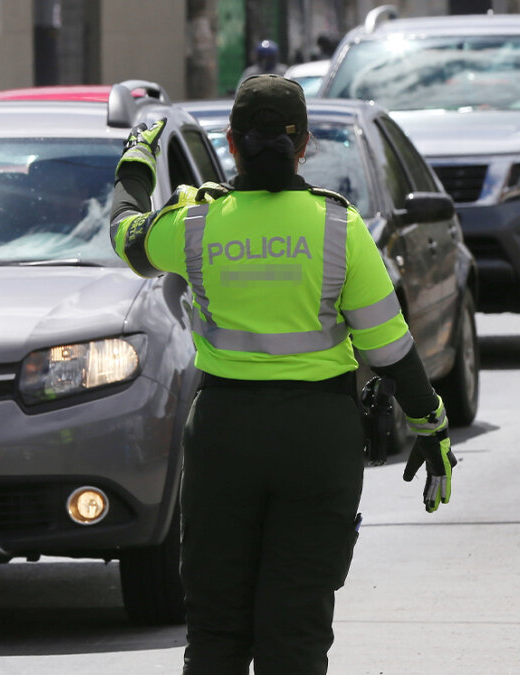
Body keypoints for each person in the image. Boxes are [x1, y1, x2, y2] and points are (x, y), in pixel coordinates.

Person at [109, 75, 456, 673]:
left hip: (223, 435)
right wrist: (432, 427)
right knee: (295, 634)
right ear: (305, 146)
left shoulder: (195, 224)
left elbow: (123, 234)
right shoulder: (338, 229)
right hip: (318, 439)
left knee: (216, 634)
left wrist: (137, 161)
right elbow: (393, 352)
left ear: (231, 142)